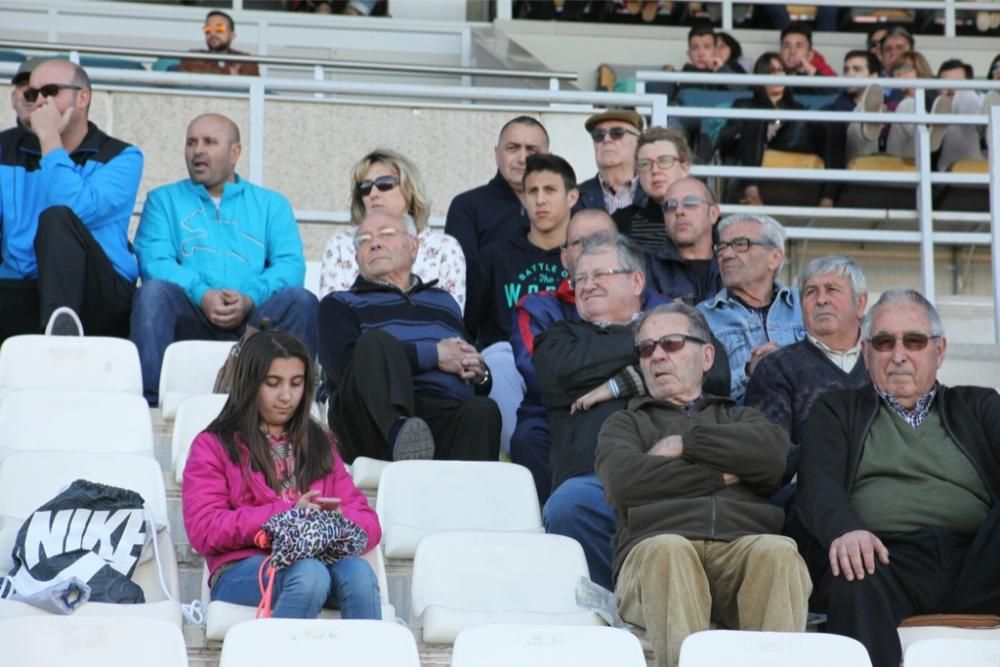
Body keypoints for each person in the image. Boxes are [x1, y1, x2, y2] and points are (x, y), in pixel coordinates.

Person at [595, 302, 810, 667]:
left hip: (739, 550)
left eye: (672, 343)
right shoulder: (625, 424)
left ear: (707, 356)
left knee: (779, 552)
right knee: (670, 550)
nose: (657, 356)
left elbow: (774, 458)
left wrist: (685, 445)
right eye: (646, 349)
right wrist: (717, 474)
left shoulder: (739, 415)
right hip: (654, 557)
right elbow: (624, 483)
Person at [795, 288, 1000, 667]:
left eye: (915, 341)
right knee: (851, 576)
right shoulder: (836, 410)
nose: (899, 355)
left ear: (939, 351)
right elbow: (817, 484)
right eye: (885, 342)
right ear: (867, 353)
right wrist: (844, 529)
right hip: (883, 561)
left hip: (977, 560)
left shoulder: (979, 405)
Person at [183, 330, 382, 620]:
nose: (286, 396)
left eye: (297, 383)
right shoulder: (212, 445)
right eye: (273, 383)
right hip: (241, 568)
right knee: (309, 575)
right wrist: (285, 516)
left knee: (360, 573)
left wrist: (336, 521)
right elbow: (204, 529)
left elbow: (369, 522)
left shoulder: (319, 443)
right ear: (250, 384)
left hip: (318, 559)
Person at [131, 113, 316, 405]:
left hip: (254, 320)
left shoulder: (271, 204)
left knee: (301, 300)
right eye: (191, 142)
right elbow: (154, 261)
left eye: (209, 142)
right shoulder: (163, 200)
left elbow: (290, 266)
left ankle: (298, 406)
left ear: (235, 153)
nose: (198, 151)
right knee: (152, 293)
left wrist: (249, 298)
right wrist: (202, 294)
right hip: (192, 313)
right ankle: (150, 406)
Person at [318, 210, 500, 464]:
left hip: (442, 410)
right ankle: (401, 435)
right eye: (364, 240)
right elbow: (346, 367)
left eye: (386, 234)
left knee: (483, 411)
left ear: (414, 246)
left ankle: (467, 500)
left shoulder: (444, 301)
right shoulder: (338, 304)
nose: (375, 243)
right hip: (373, 422)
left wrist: (480, 374)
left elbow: (466, 362)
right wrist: (434, 355)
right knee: (374, 342)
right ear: (357, 256)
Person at [533, 234, 655, 590]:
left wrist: (616, 385)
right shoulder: (559, 337)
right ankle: (610, 615)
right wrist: (654, 345)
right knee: (568, 505)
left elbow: (715, 371)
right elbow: (562, 371)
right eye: (580, 278)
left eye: (600, 274)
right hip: (594, 480)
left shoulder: (680, 322)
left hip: (671, 473)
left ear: (636, 281)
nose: (587, 285)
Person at [0, 58, 141, 341]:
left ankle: (61, 335)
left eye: (51, 92)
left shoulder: (123, 156)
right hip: (21, 287)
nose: (40, 102)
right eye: (32, 94)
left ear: (83, 98)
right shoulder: (4, 149)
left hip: (97, 293)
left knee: (57, 218)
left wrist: (49, 140)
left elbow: (76, 209)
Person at [465, 153, 576, 456]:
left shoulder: (586, 257)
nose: (540, 200)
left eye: (550, 190)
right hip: (509, 370)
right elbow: (468, 326)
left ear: (572, 196)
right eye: (532, 191)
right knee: (499, 356)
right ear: (523, 199)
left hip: (573, 363)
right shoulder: (493, 258)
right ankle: (521, 461)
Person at [745, 256, 870, 509]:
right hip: (809, 499)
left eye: (832, 290)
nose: (821, 299)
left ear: (860, 303)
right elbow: (772, 451)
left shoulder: (885, 362)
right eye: (811, 292)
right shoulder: (776, 368)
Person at [318, 149, 465, 308]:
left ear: (409, 188)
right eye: (365, 187)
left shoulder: (444, 247)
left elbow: (451, 316)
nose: (373, 193)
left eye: (384, 183)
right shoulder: (342, 244)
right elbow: (333, 312)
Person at [698, 214, 805, 402]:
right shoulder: (700, 317)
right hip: (737, 428)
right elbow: (694, 392)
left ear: (775, 257)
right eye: (721, 247)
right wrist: (749, 371)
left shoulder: (805, 304)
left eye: (741, 244)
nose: (727, 255)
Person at [718, 52, 823, 206]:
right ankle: (751, 192)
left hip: (791, 159)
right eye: (770, 72)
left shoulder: (798, 109)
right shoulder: (744, 104)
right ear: (760, 78)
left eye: (780, 70)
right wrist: (760, 132)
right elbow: (725, 139)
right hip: (752, 160)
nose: (776, 76)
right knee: (756, 121)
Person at [444, 116, 548, 260]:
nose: (523, 158)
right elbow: (460, 274)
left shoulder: (564, 206)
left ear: (548, 158)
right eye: (512, 148)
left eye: (532, 150)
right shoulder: (467, 206)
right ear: (497, 154)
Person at [644, 177, 722, 305]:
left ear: (713, 214)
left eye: (690, 203)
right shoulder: (647, 268)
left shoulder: (733, 263)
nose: (679, 211)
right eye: (670, 205)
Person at [818, 50, 882, 206]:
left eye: (857, 69)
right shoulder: (831, 109)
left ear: (873, 77)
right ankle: (868, 116)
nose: (850, 74)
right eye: (846, 70)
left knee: (910, 105)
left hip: (889, 153)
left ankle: (928, 137)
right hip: (852, 158)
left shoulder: (892, 104)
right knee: (861, 112)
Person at [612, 126, 691, 251]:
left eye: (664, 161)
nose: (655, 170)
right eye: (645, 164)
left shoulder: (703, 216)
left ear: (684, 168)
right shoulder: (621, 222)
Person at [577, 110, 646, 214]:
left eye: (617, 133)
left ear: (639, 142)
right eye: (598, 135)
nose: (606, 139)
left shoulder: (654, 192)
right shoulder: (575, 197)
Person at [179, 10, 260, 76]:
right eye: (208, 29)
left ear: (232, 35)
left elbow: (251, 86)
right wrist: (229, 73)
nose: (212, 34)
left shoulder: (246, 60)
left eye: (219, 29)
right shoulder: (193, 56)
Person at [778, 22, 835, 95]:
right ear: (780, 52)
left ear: (810, 54)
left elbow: (832, 94)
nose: (792, 52)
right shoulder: (770, 73)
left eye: (799, 46)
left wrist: (810, 69)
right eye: (786, 46)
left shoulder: (815, 76)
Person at [3, 57, 44, 132]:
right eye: (23, 84)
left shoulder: (70, 141)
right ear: (13, 98)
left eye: (40, 84)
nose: (29, 92)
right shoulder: (3, 141)